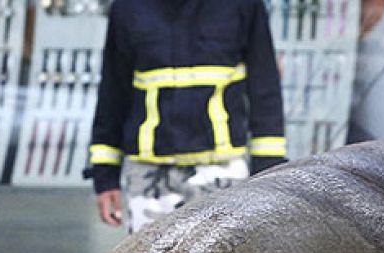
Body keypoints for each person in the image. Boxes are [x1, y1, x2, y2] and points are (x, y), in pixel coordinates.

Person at [85, 0, 287, 232]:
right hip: (150, 177)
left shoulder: (243, 5)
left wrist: (269, 173)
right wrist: (105, 176)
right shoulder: (129, 7)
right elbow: (113, 93)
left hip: (221, 171)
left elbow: (265, 91)